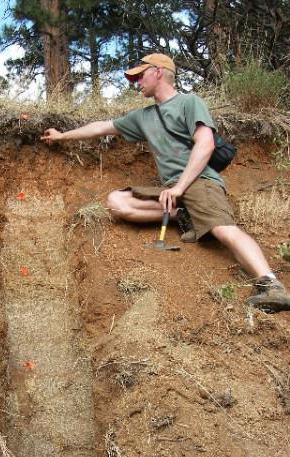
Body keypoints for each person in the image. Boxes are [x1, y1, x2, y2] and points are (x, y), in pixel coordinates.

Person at [41, 53, 290, 313]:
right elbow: (102, 127)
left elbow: (205, 144)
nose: (136, 82)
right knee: (117, 203)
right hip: (172, 189)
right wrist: (62, 136)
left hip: (199, 181)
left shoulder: (189, 102)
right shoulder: (143, 116)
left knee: (223, 230)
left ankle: (271, 285)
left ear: (158, 72)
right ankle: (184, 216)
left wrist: (180, 187)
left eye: (141, 75)